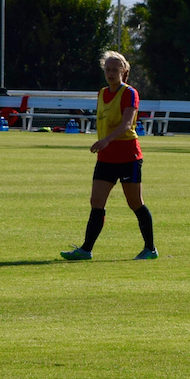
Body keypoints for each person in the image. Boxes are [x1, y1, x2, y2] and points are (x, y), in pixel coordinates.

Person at [61, 51, 158, 261]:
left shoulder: (129, 93)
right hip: (106, 157)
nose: (111, 73)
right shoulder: (102, 93)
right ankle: (86, 249)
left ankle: (150, 248)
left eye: (115, 69)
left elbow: (126, 124)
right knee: (96, 201)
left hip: (128, 155)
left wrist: (105, 140)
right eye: (108, 69)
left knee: (135, 203)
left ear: (124, 71)